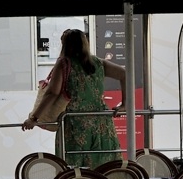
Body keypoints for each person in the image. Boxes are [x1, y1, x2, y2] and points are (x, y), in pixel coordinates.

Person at [22, 29, 126, 167]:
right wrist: (124, 104)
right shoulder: (98, 63)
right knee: (102, 165)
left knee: (75, 169)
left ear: (65, 44)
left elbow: (52, 93)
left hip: (75, 123)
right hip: (102, 123)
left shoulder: (64, 63)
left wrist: (34, 118)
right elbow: (124, 74)